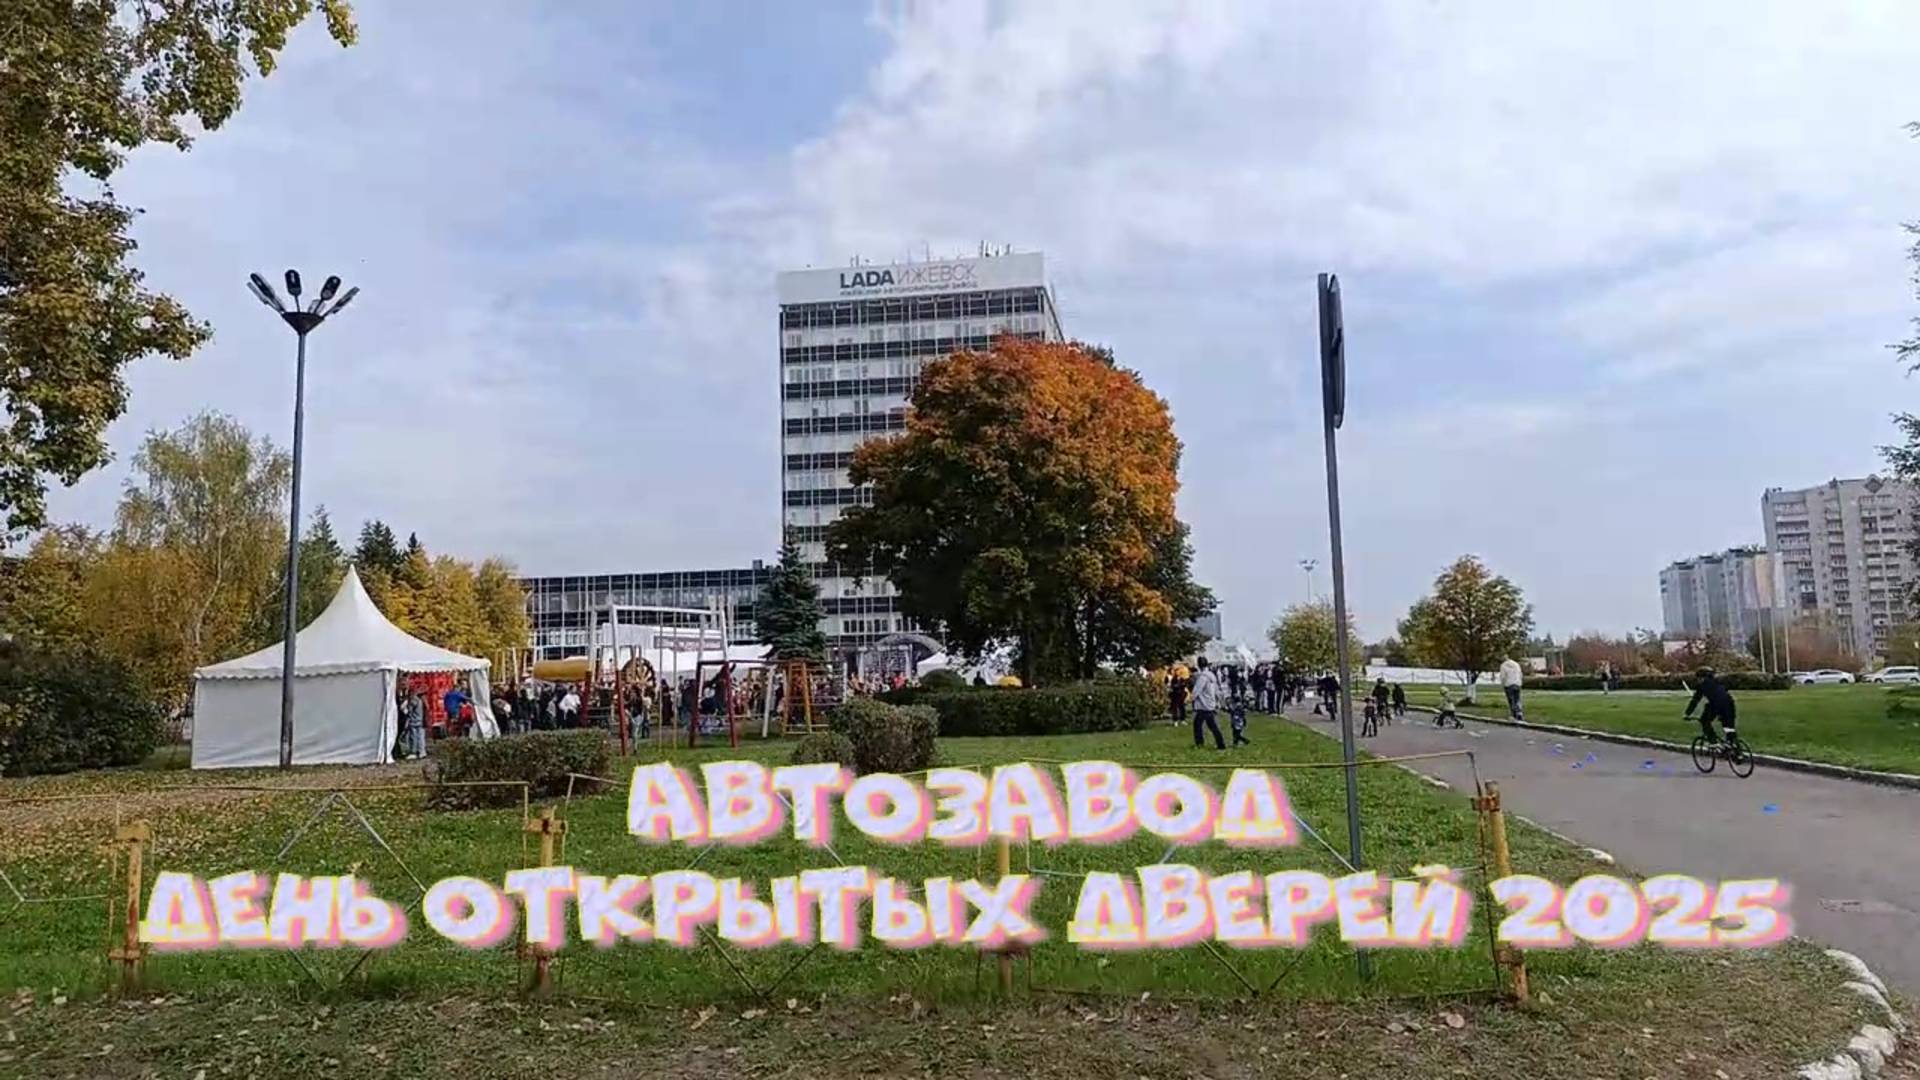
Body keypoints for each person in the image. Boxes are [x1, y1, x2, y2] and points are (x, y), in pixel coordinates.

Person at [1683, 666, 1738, 745]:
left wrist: (1687, 713)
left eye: (1698, 678)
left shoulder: (1702, 685)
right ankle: (1734, 747)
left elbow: (1695, 700)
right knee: (1729, 726)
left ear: (1701, 677)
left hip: (1715, 704)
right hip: (1729, 703)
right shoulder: (1718, 681)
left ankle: (1713, 742)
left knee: (1704, 720)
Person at [1190, 657, 1226, 750]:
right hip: (1210, 704)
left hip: (1203, 705)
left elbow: (1197, 690)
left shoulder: (1203, 677)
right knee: (1212, 725)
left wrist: (1191, 698)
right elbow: (1216, 690)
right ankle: (1220, 744)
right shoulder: (1211, 675)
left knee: (1197, 725)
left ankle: (1199, 743)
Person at [400, 686, 426, 759]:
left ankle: (413, 752)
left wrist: (404, 709)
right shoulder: (419, 700)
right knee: (420, 737)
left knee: (413, 737)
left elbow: (409, 711)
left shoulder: (413, 700)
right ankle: (421, 751)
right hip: (419, 721)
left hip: (413, 721)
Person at [1499, 655, 1525, 720]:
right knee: (1517, 699)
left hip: (1509, 684)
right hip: (1517, 683)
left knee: (1511, 700)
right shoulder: (1516, 664)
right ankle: (1519, 712)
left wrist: (1503, 684)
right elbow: (1520, 674)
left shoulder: (1503, 665)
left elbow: (1503, 676)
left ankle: (1514, 715)